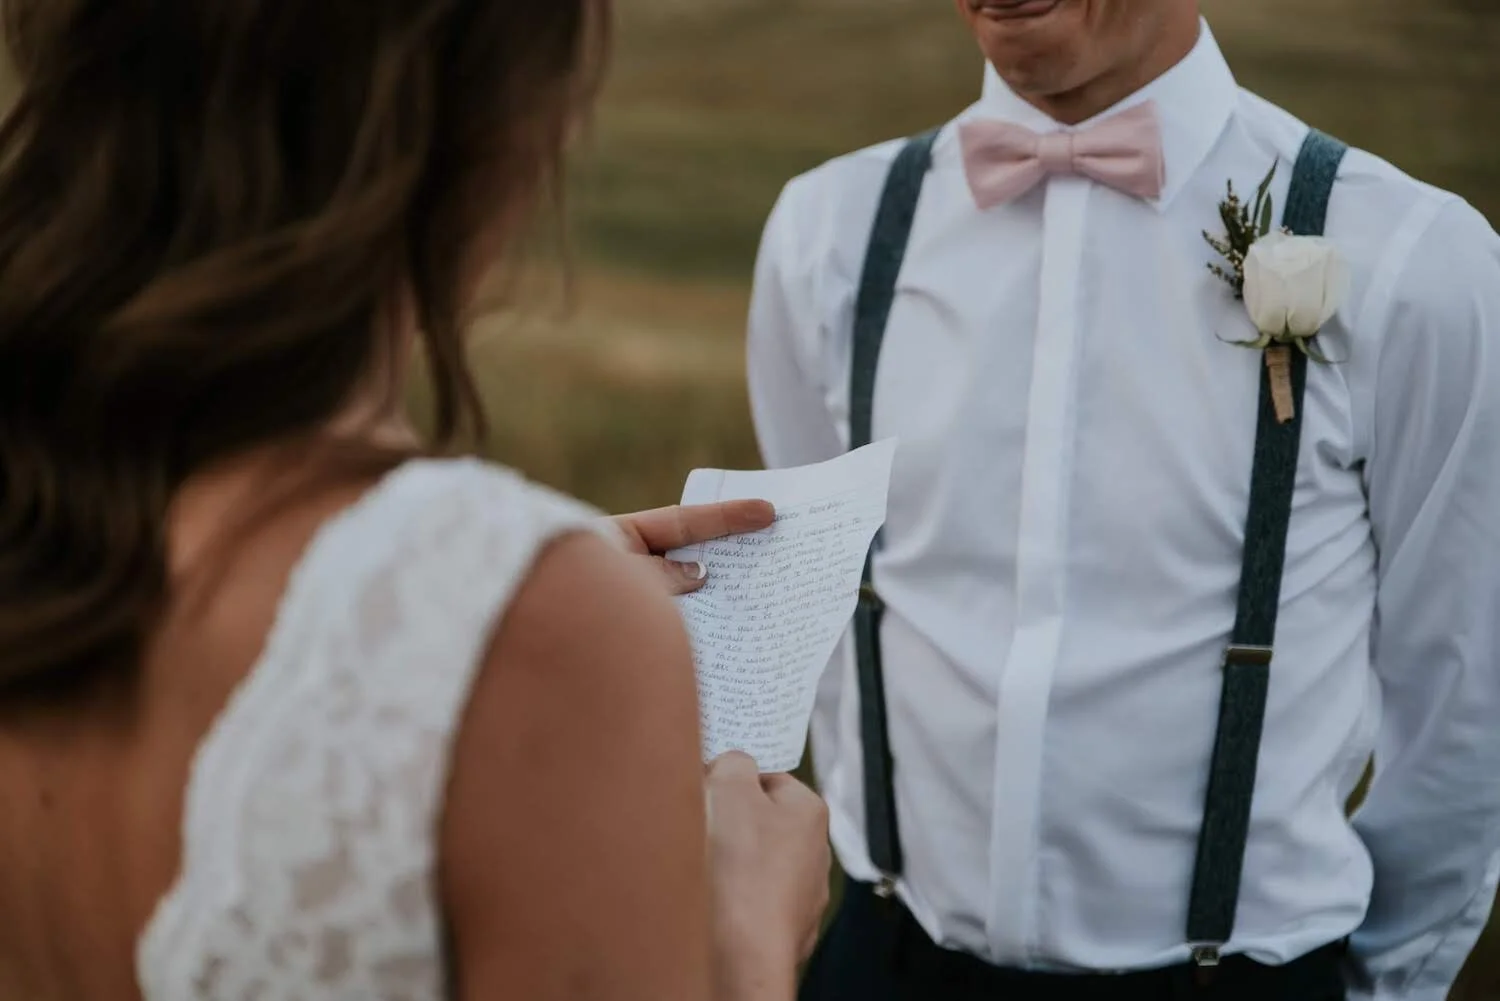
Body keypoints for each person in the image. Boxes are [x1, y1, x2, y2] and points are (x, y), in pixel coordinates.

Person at [0, 1, 832, 1000]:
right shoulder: (550, 628)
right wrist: (745, 935)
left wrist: (460, 619)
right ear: (484, 126)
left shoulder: (47, 487)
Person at [748, 1, 1500, 999]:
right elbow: (823, 617)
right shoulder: (828, 234)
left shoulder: (1414, 261)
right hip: (887, 957)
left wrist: (1386, 980)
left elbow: (1463, 695)